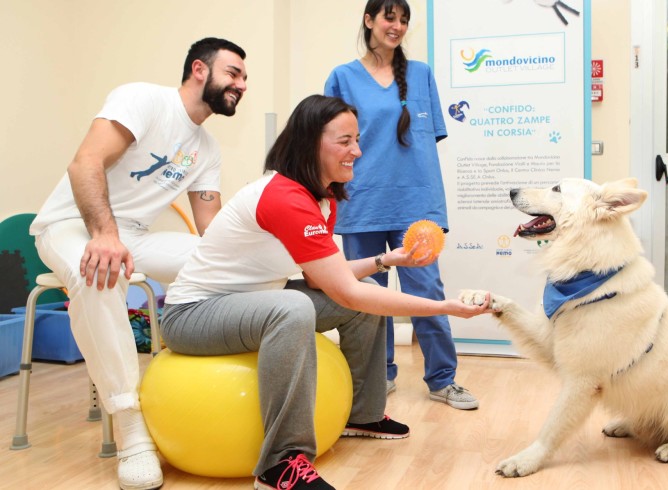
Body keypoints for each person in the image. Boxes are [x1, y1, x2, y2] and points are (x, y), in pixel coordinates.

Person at [161, 95, 490, 490]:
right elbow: (342, 292)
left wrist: (389, 260)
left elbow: (325, 279)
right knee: (295, 308)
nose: (358, 150)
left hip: (253, 302)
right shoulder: (284, 197)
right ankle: (280, 464)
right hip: (193, 315)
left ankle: (362, 414)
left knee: (356, 295)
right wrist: (443, 307)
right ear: (310, 142)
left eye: (356, 139)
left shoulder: (323, 196)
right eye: (345, 141)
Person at [29, 37, 248, 490]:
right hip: (72, 223)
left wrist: (253, 247)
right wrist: (104, 235)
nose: (241, 84)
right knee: (101, 274)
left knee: (229, 264)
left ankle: (220, 378)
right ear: (200, 70)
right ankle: (131, 429)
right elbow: (85, 163)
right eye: (233, 73)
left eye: (245, 78)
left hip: (135, 236)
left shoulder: (206, 148)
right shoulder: (144, 99)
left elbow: (211, 231)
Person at [324, 0, 477, 410]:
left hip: (416, 202)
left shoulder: (422, 75)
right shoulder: (342, 77)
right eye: (389, 17)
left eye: (404, 20)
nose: (397, 26)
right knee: (369, 296)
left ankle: (443, 379)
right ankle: (380, 376)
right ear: (370, 20)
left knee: (426, 291)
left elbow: (428, 143)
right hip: (363, 201)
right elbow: (328, 143)